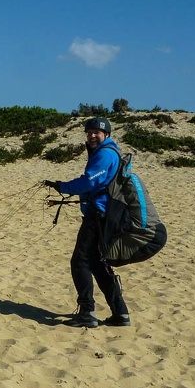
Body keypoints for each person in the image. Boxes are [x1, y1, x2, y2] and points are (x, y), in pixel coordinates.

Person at [44, 117, 131, 328]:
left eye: (97, 133)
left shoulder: (105, 154)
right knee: (98, 263)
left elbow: (91, 181)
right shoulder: (107, 152)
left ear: (106, 135)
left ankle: (87, 312)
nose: (92, 136)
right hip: (104, 214)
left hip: (99, 215)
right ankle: (120, 313)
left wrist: (64, 187)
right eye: (89, 132)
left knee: (80, 261)